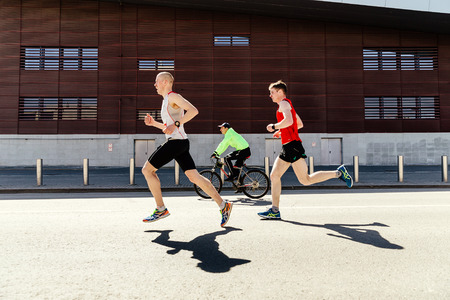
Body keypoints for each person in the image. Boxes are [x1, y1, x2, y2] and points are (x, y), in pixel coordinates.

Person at [141, 72, 233, 227]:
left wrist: (176, 124)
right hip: (180, 142)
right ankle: (224, 205)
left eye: (156, 82)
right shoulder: (166, 100)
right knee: (194, 177)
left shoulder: (173, 96)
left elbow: (193, 111)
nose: (154, 85)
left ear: (164, 82)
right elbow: (168, 127)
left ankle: (160, 208)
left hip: (176, 143)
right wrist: (154, 124)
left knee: (147, 171)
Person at [258, 80, 353, 220]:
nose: (270, 95)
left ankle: (275, 210)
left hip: (291, 146)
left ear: (280, 92)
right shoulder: (288, 104)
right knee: (305, 180)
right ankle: (339, 173)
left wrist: (275, 126)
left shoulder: (283, 103)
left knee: (275, 176)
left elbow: (290, 122)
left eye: (272, 92)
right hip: (292, 145)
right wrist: (282, 131)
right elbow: (299, 124)